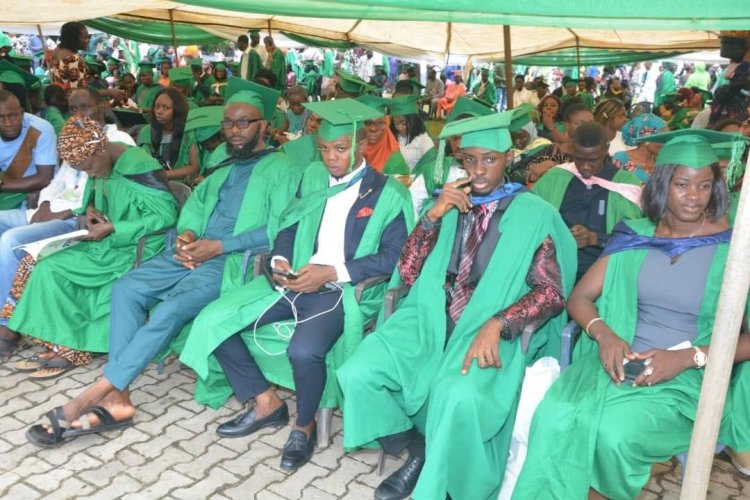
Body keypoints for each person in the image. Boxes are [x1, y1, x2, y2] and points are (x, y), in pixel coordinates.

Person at [24, 79, 298, 448]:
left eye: (245, 122)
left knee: (170, 310)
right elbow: (194, 207)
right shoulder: (220, 159)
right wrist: (186, 236)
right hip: (194, 251)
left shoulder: (283, 168)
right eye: (229, 123)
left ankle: (97, 394)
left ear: (264, 124)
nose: (235, 130)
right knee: (127, 288)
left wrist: (217, 247)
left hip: (236, 262)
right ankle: (118, 398)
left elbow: (279, 228)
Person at [337, 110, 577, 500]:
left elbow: (549, 293)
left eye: (490, 159)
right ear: (459, 161)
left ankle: (440, 472)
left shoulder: (536, 215)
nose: (479, 170)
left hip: (485, 325)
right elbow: (409, 271)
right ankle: (418, 446)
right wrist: (432, 216)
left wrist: (499, 323)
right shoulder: (447, 205)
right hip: (429, 318)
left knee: (459, 396)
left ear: (509, 158)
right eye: (469, 159)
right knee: (358, 373)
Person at [513, 129, 750, 500]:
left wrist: (688, 358)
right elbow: (580, 298)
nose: (694, 197)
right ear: (660, 184)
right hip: (619, 360)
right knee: (555, 416)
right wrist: (604, 334)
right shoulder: (636, 236)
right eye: (682, 184)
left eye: (705, 186)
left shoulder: (734, 248)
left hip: (690, 376)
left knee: (613, 434)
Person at [178, 98, 413, 473]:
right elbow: (286, 225)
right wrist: (279, 260)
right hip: (291, 280)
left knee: (304, 352)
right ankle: (265, 402)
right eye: (323, 149)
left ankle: (302, 429)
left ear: (362, 146)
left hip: (338, 290)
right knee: (214, 319)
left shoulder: (387, 193)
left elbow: (393, 257)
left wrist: (331, 271)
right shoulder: (312, 177)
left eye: (339, 149)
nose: (331, 158)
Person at [2, 116, 178, 376]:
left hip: (139, 247)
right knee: (43, 264)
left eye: (88, 166)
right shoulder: (101, 164)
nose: (89, 173)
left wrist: (115, 228)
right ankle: (63, 341)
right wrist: (91, 211)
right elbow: (94, 201)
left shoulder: (138, 164)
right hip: (108, 243)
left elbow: (167, 216)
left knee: (59, 270)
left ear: (100, 148)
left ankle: (75, 347)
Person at [0, 88, 133, 342]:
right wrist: (46, 204)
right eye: (72, 109)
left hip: (78, 218)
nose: (79, 114)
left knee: (11, 241)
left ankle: (8, 325)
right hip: (50, 210)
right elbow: (58, 180)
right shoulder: (73, 136)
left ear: (102, 106)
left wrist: (69, 211)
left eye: (85, 107)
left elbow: (109, 192)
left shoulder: (118, 141)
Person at [532, 122, 643, 282]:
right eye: (579, 158)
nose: (585, 167)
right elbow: (531, 219)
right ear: (572, 149)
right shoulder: (556, 177)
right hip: (553, 268)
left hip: (603, 273)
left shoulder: (626, 184)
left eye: (593, 160)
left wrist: (595, 238)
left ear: (606, 149)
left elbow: (635, 237)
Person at [0, 89, 55, 213]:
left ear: (22, 113)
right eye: (0, 118)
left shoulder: (40, 129)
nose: (8, 123)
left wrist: (2, 186)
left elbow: (44, 178)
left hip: (36, 192)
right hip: (7, 189)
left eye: (13, 116)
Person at [136, 87, 199, 182]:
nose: (159, 111)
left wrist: (164, 175)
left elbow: (194, 167)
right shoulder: (146, 132)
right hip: (151, 183)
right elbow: (142, 163)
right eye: (156, 106)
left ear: (177, 110)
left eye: (165, 108)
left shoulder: (188, 132)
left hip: (180, 185)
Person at [526, 102, 594, 183]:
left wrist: (556, 168)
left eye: (591, 123)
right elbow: (517, 171)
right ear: (567, 126)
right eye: (580, 123)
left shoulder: (597, 155)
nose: (587, 127)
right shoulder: (551, 150)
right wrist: (534, 169)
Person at [612, 113, 668, 181]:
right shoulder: (621, 159)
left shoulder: (661, 163)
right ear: (647, 138)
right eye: (662, 138)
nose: (666, 143)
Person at [390, 95, 435, 172]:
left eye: (403, 123)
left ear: (413, 121)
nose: (399, 127)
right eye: (396, 123)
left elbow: (432, 164)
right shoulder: (393, 137)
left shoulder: (423, 140)